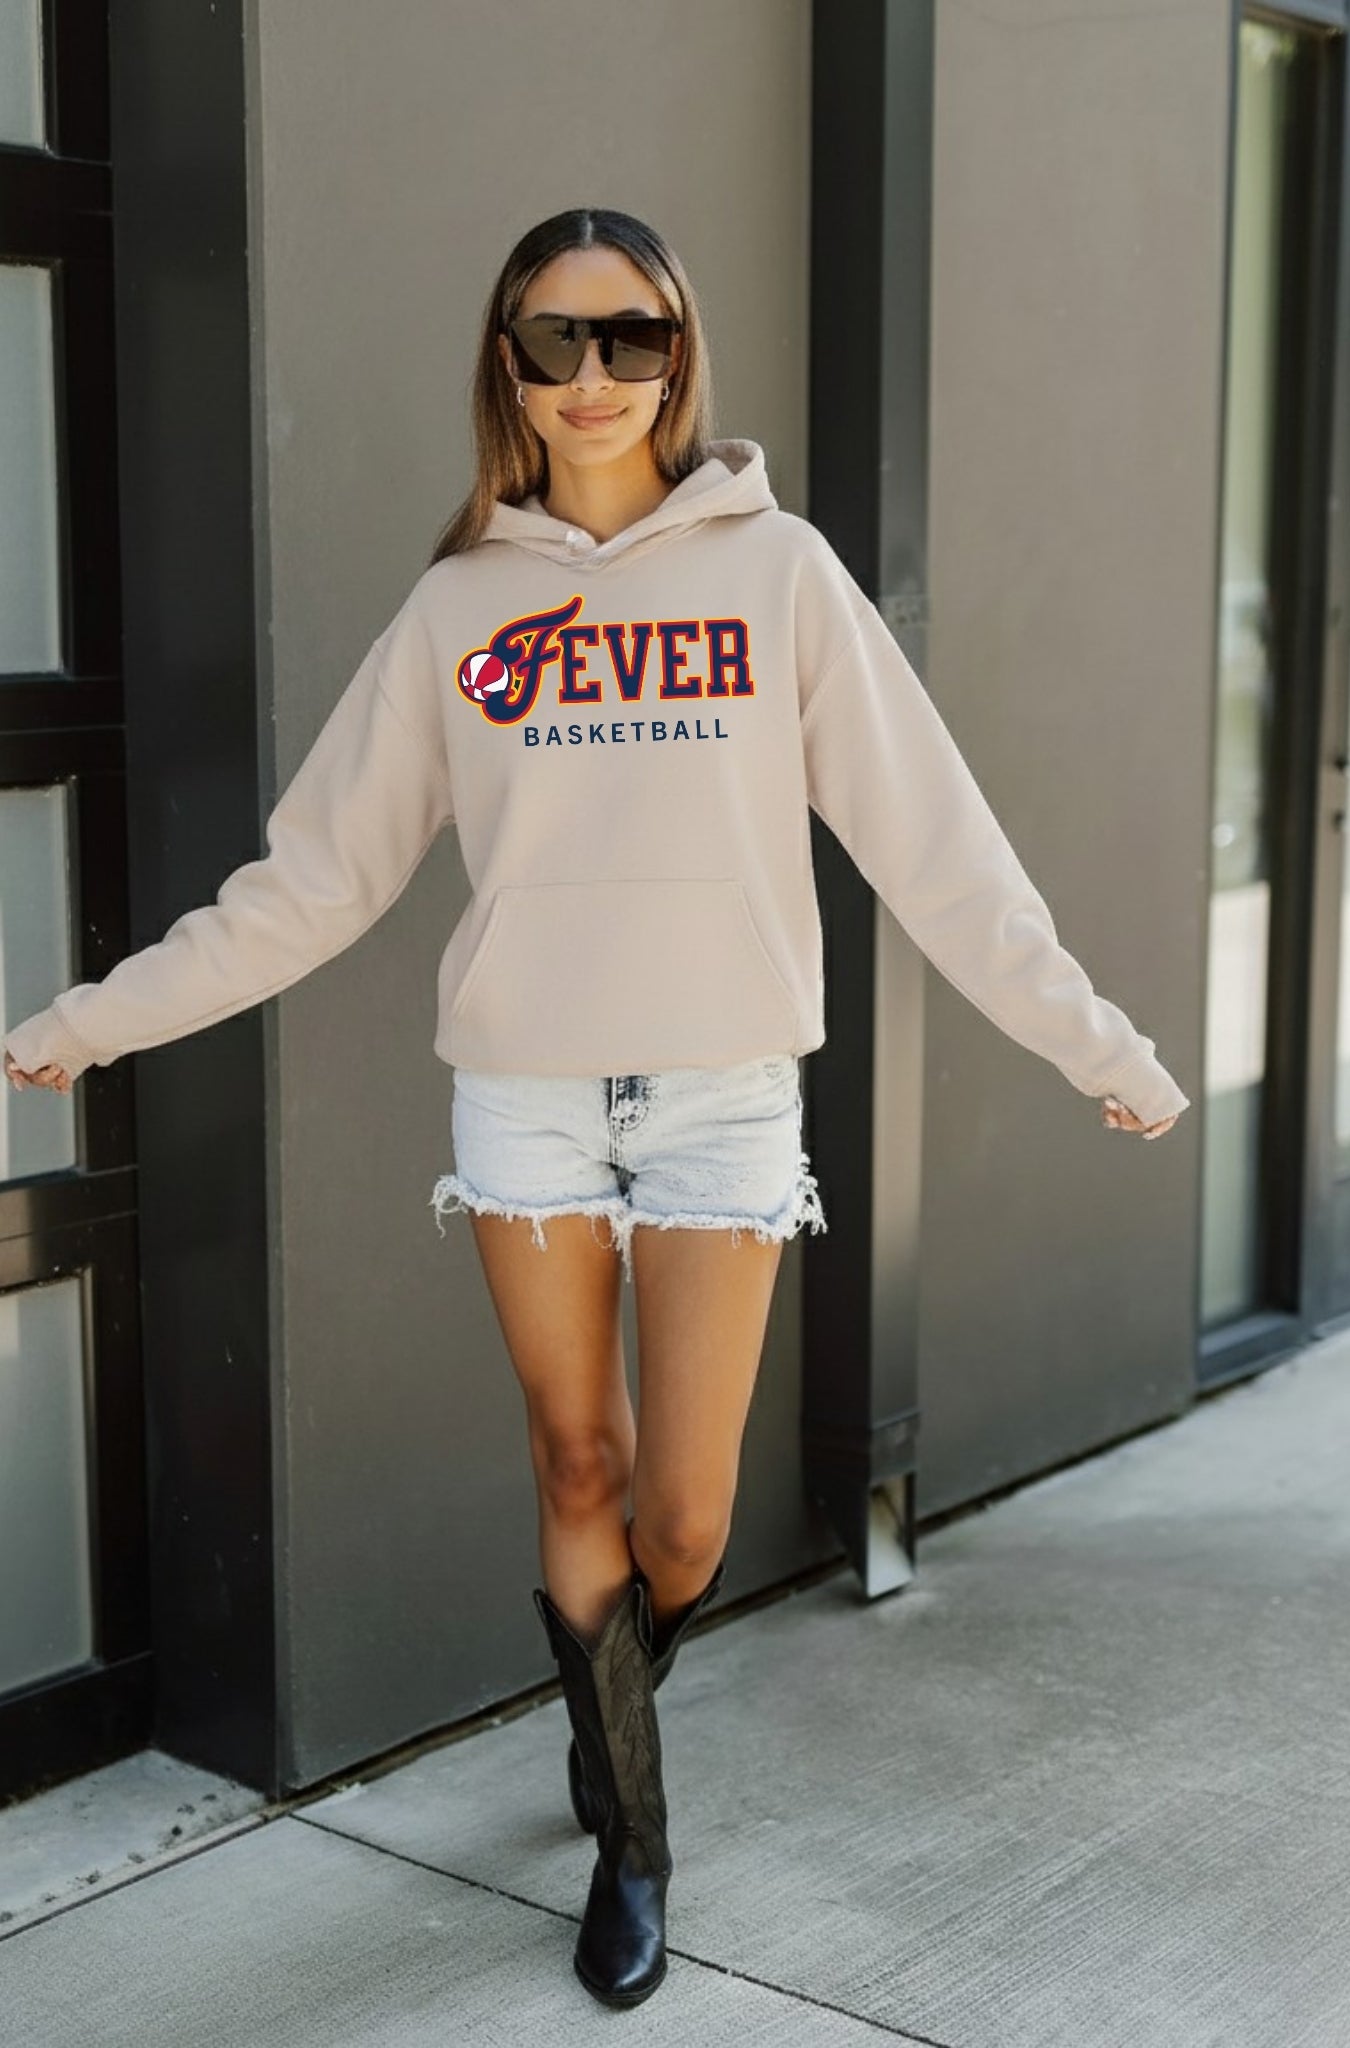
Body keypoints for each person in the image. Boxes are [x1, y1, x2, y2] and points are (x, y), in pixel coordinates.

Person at [3, 205, 1186, 2010]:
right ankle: (633, 1840)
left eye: (628, 337)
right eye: (553, 340)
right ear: (507, 363)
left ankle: (604, 1683)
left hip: (721, 1096)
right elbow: (311, 882)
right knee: (576, 1462)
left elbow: (938, 848)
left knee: (685, 1523)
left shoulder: (779, 575)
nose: (592, 377)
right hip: (528, 1096)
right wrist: (96, 1022)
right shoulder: (459, 608)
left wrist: (1096, 1042)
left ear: (676, 353)